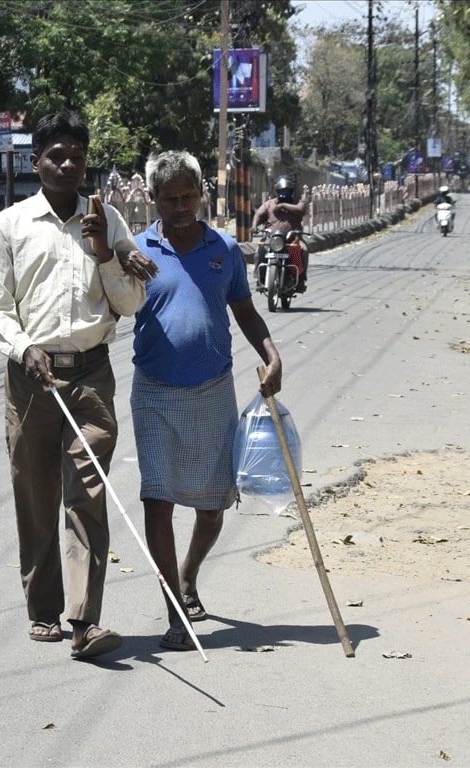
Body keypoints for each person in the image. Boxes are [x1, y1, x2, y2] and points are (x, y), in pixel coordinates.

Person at [0, 111, 157, 660]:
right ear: (36, 163)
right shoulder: (8, 226)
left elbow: (131, 303)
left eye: (76, 156)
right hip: (30, 377)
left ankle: (85, 623)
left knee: (87, 494)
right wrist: (24, 348)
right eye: (56, 155)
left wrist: (107, 253)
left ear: (86, 163)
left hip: (90, 376)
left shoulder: (108, 220)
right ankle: (43, 609)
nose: (67, 164)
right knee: (36, 495)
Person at [131, 150, 283, 651]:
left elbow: (245, 311)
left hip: (214, 391)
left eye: (188, 196)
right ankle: (175, 606)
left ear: (202, 195)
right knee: (157, 496)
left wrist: (271, 354)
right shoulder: (137, 251)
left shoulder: (225, 250)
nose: (180, 206)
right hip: (153, 392)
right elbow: (103, 302)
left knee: (214, 505)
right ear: (153, 199)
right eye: (170, 198)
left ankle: (188, 574)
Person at [252, 175, 309, 288]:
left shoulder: (297, 202)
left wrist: (283, 205)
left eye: (287, 190)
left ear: (291, 190)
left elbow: (301, 210)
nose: (284, 192)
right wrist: (254, 226)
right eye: (282, 190)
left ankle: (301, 280)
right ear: (277, 190)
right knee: (260, 250)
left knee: (304, 250)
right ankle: (260, 278)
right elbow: (259, 214)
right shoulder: (269, 204)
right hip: (272, 239)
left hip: (292, 239)